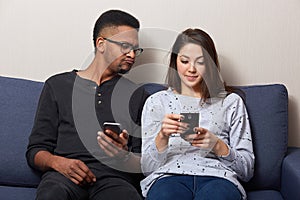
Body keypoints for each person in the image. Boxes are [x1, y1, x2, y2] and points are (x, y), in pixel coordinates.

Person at [26, 9, 148, 200]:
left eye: (135, 49)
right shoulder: (57, 85)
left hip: (113, 180)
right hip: (63, 177)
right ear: (101, 44)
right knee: (51, 194)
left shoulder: (137, 95)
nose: (132, 54)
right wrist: (58, 163)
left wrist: (124, 156)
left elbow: (144, 162)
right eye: (125, 46)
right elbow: (35, 151)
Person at [140, 28, 255, 200]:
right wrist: (162, 136)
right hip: (168, 177)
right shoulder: (157, 102)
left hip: (218, 177)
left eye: (200, 62)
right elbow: (147, 169)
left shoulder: (231, 102)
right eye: (184, 61)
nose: (191, 69)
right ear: (175, 61)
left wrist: (217, 145)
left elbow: (247, 171)